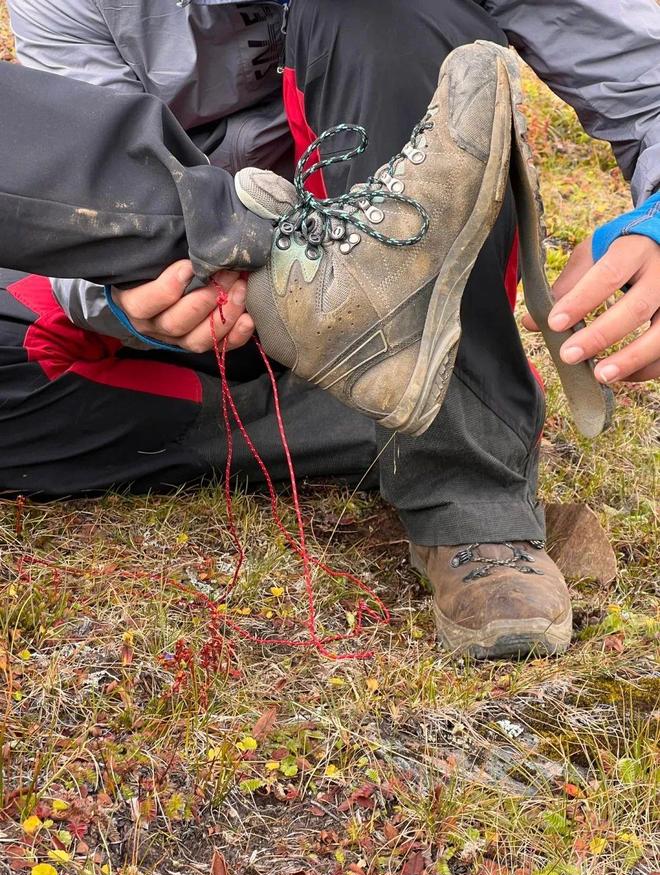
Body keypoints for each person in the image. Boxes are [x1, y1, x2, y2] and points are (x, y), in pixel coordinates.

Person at [1, 0, 659, 660]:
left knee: (384, 9)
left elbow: (644, 78)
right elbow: (67, 185)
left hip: (404, 253)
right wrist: (125, 296)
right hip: (217, 304)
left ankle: (466, 484)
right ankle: (370, 405)